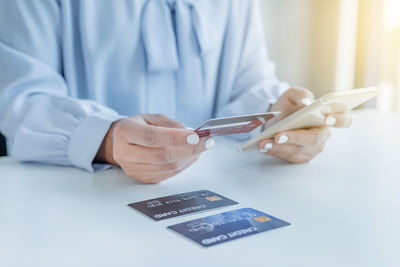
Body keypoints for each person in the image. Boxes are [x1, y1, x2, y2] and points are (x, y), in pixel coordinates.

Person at [0, 0, 351, 184]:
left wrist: (278, 115)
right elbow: (21, 97)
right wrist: (105, 141)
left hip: (211, 195)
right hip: (74, 198)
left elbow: (247, 81)